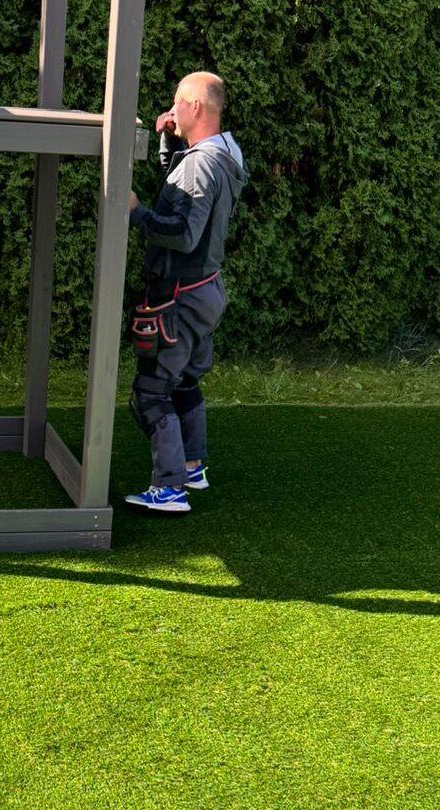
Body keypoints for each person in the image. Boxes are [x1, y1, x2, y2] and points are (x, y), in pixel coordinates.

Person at [124, 71, 248, 514]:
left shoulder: (200, 164)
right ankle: (193, 467)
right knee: (186, 383)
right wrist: (169, 142)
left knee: (151, 393)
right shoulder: (226, 154)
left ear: (196, 106)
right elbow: (184, 191)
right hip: (207, 292)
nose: (172, 109)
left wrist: (136, 213)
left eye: (178, 101)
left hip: (181, 297)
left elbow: (183, 231)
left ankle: (170, 488)